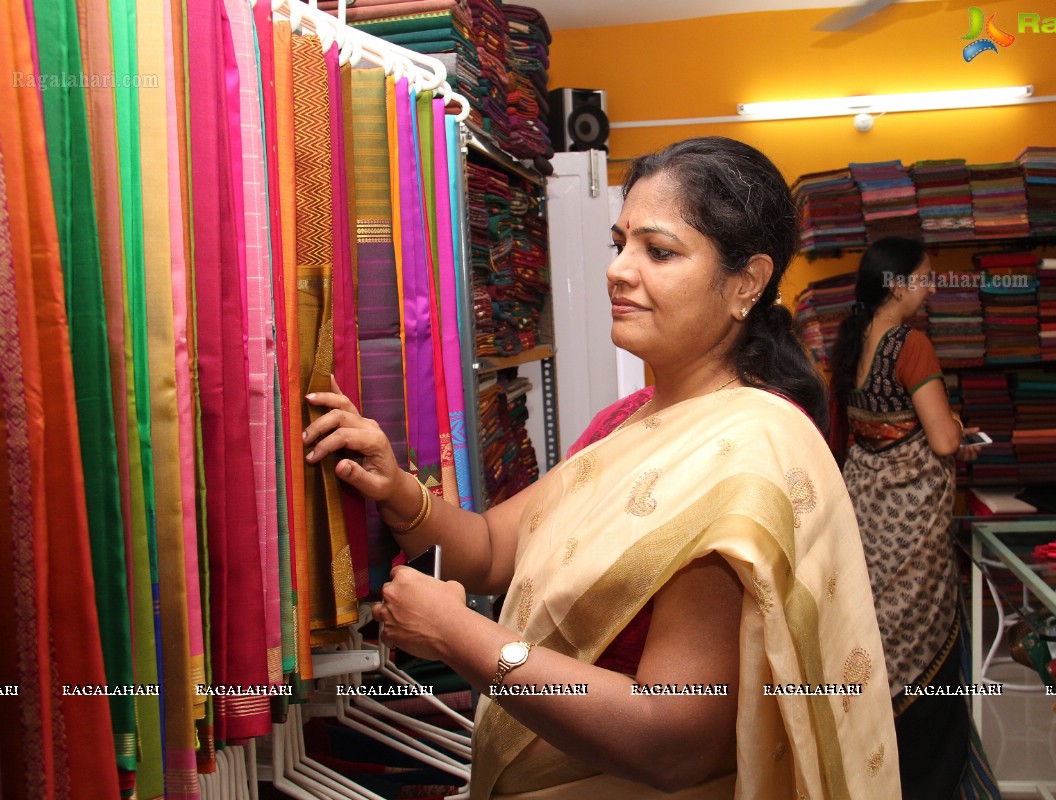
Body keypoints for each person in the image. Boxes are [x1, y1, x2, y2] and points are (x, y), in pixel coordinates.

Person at [303, 136, 901, 799]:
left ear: (747, 283)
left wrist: (456, 634)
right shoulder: (626, 421)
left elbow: (672, 741)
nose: (619, 269)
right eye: (620, 244)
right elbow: (495, 548)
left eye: (659, 251)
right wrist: (398, 490)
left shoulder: (745, 459)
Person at [828, 237, 995, 800]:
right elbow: (944, 440)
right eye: (925, 279)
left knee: (873, 626)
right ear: (897, 285)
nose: (929, 288)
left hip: (866, 507)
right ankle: (927, 779)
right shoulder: (911, 343)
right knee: (920, 636)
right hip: (910, 517)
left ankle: (869, 766)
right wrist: (954, 431)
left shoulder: (852, 341)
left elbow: (867, 426)